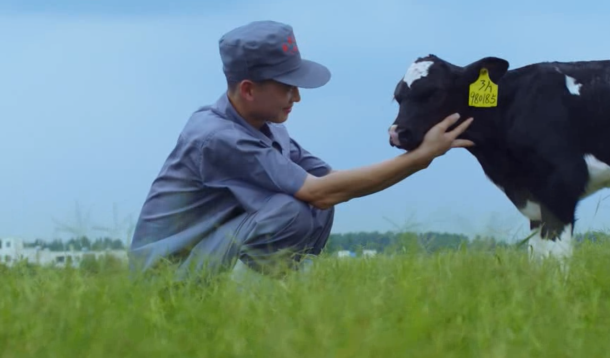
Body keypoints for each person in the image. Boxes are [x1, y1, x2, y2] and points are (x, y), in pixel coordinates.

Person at [127, 20, 474, 280]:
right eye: (287, 87)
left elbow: (332, 182)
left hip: (209, 253)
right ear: (248, 90)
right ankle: (237, 305)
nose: (297, 97)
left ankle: (284, 294)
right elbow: (319, 192)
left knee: (320, 204)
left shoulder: (267, 127)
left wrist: (414, 148)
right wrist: (420, 158)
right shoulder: (218, 137)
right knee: (292, 208)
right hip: (168, 278)